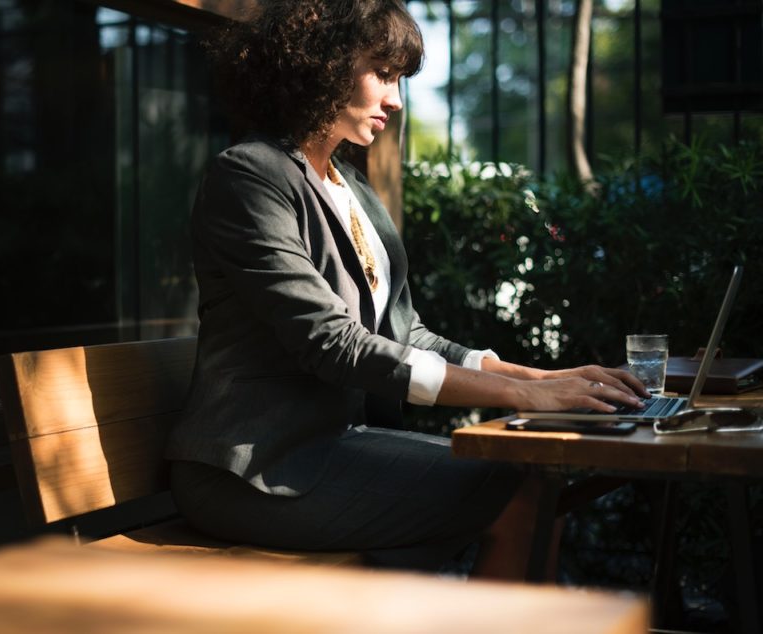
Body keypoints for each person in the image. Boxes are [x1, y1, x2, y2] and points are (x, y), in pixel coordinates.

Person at [164, 0, 648, 577]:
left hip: (333, 449)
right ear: (323, 62)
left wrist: (542, 380)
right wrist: (525, 399)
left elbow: (404, 331)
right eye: (384, 74)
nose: (395, 100)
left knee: (531, 475)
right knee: (514, 488)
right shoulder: (250, 176)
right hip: (253, 471)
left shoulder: (353, 188)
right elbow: (332, 342)